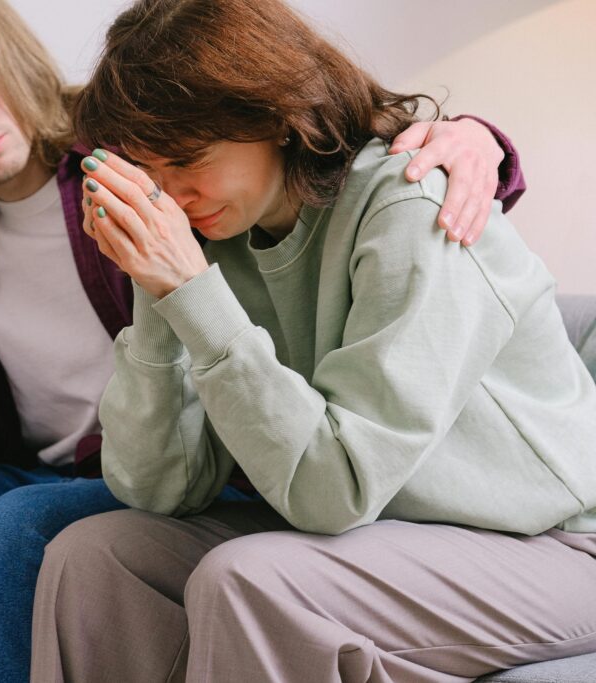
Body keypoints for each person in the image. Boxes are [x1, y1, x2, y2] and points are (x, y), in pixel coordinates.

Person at [0, 0, 523, 681]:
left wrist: (477, 139)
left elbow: (335, 156)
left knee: (22, 524)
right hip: (51, 479)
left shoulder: (139, 154)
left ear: (12, 59)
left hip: (195, 473)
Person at [30, 0, 596, 681]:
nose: (170, 195)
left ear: (269, 115)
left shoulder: (411, 207)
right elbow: (158, 487)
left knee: (251, 579)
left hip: (554, 546)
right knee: (92, 556)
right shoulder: (217, 229)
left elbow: (336, 488)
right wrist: (158, 291)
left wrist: (192, 292)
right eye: (150, 171)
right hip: (387, 533)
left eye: (186, 159)